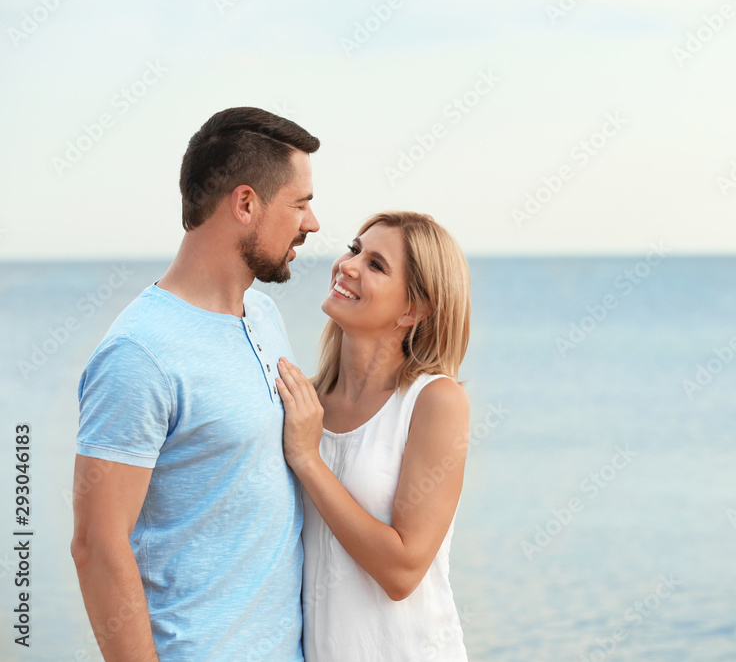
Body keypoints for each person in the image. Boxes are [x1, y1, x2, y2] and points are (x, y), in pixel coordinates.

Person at [71, 106, 320, 661]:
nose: (313, 223)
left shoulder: (263, 316)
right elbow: (96, 546)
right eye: (300, 203)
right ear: (246, 203)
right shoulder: (139, 353)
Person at [276, 211, 472, 660]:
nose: (348, 265)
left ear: (413, 309)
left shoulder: (434, 402)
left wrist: (308, 460)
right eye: (354, 249)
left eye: (376, 265)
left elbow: (403, 572)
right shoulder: (304, 404)